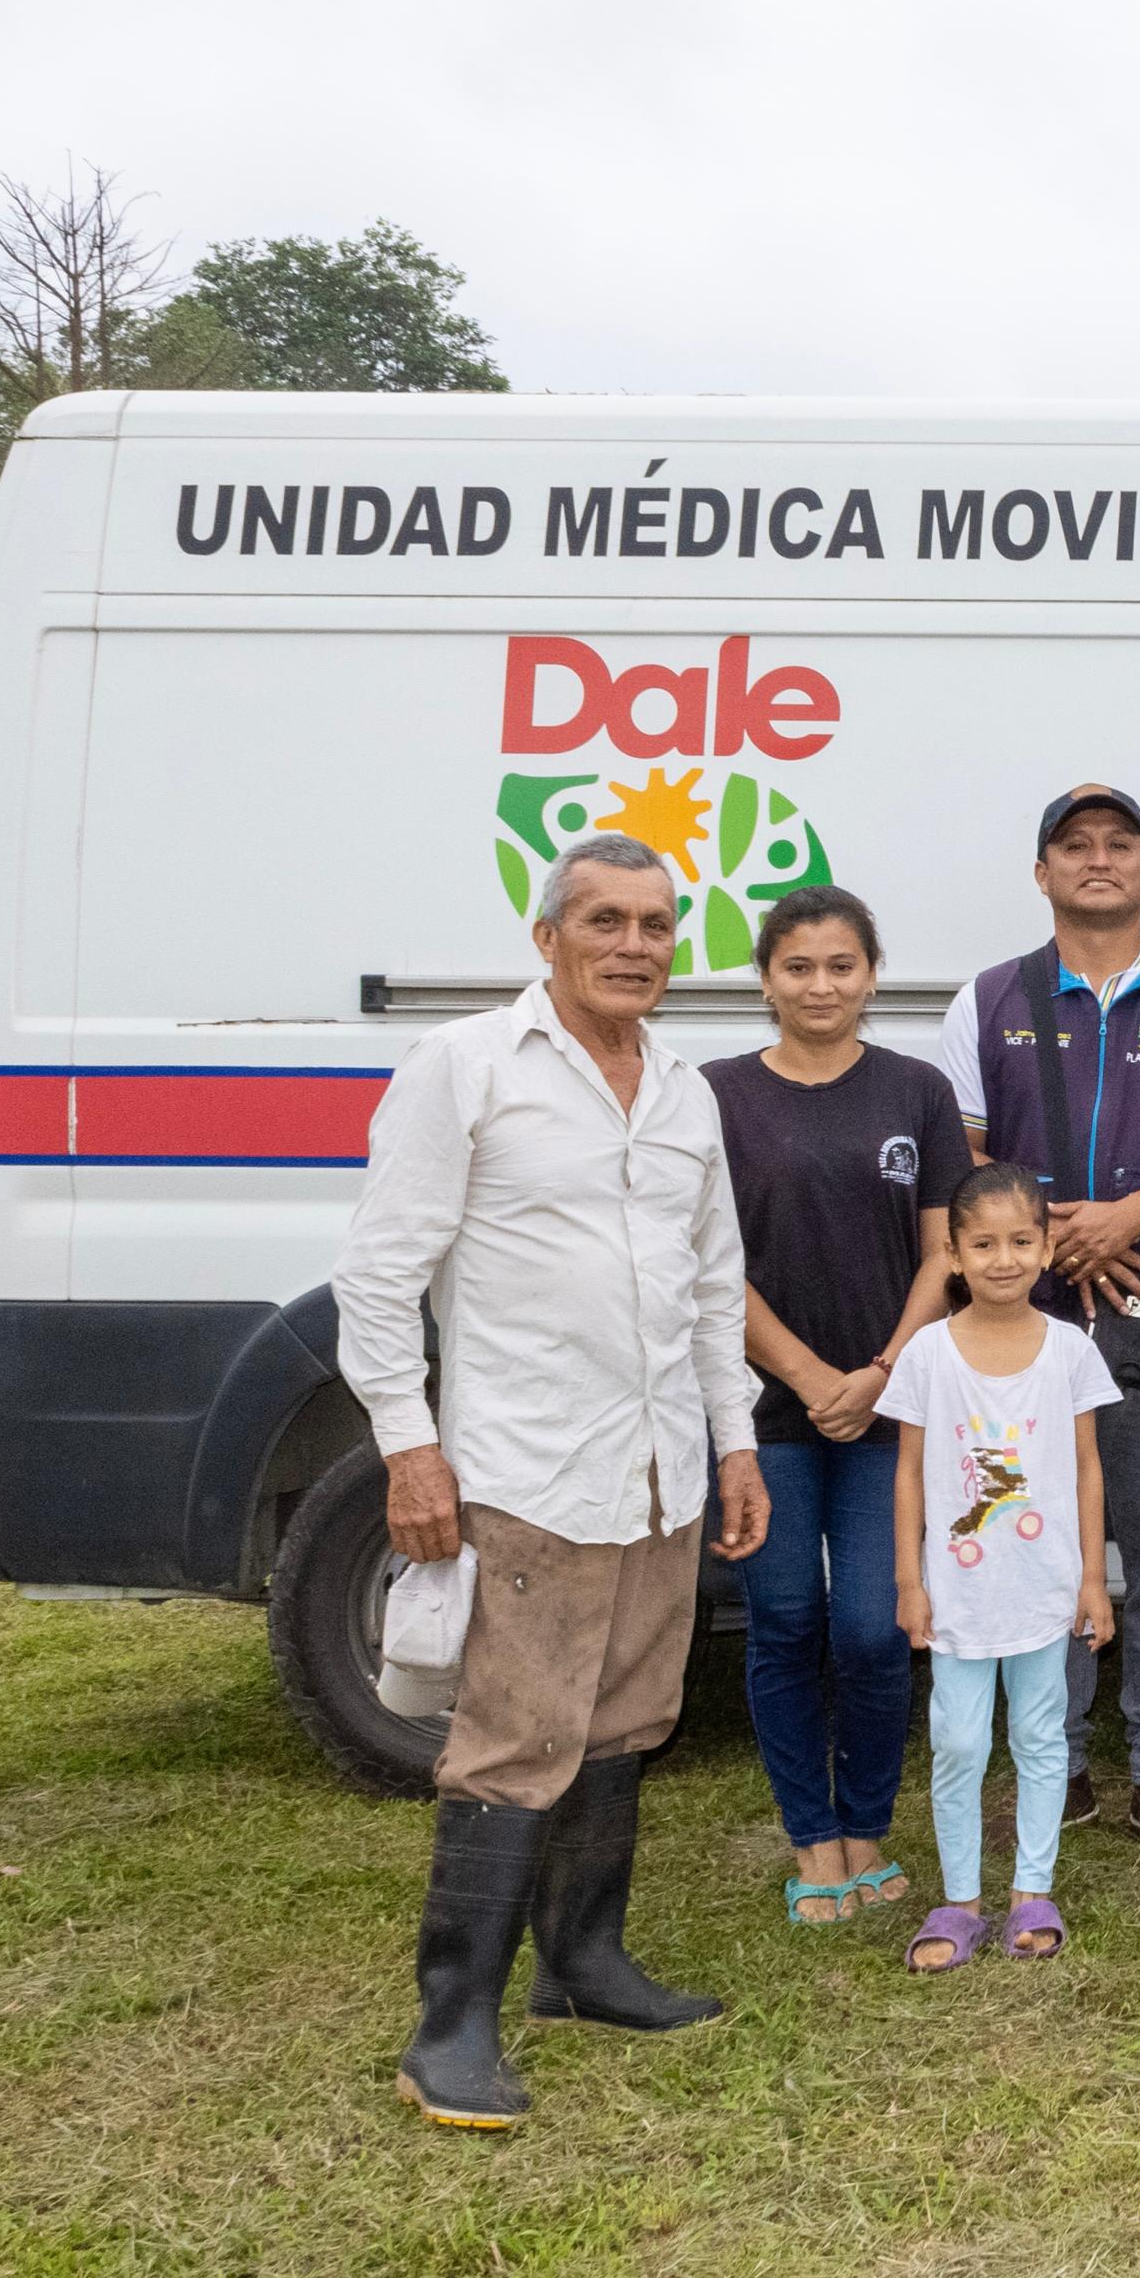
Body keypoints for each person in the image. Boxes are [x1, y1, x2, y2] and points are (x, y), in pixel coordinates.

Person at [332, 829, 766, 2132]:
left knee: (624, 1721)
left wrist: (734, 1440)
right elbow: (379, 1274)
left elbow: (713, 1286)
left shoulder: (683, 1089)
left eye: (655, 924)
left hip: (659, 1472)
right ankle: (448, 2027)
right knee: (517, 1738)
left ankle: (583, 1965)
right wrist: (410, 1446)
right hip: (529, 1468)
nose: (634, 946)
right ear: (547, 938)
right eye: (605, 921)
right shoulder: (466, 1067)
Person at [938, 784, 1140, 1861]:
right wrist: (1047, 1237)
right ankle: (1058, 1761)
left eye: (1121, 843)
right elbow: (961, 1152)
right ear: (1042, 873)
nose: (1098, 859)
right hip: (1020, 1321)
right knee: (1037, 1541)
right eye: (1074, 845)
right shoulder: (988, 996)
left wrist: (1126, 1218)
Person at [704, 887, 965, 1927]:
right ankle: (811, 1836)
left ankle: (866, 1824)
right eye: (799, 966)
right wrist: (813, 1379)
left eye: (841, 965)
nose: (821, 986)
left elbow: (943, 1252)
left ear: (872, 975)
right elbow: (706, 1265)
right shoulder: (716, 1095)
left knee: (871, 1626)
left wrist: (883, 1371)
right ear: (766, 978)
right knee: (783, 1620)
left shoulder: (917, 1090)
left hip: (887, 1410)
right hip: (761, 1414)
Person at [880, 1165, 1118, 1970]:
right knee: (957, 1741)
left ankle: (1031, 1891)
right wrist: (910, 1581)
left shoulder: (1069, 1351)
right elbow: (908, 1474)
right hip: (957, 1596)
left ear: (1048, 1249)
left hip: (1043, 1590)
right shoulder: (926, 1355)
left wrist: (1092, 1579)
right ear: (952, 1255)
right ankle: (959, 1901)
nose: (1004, 1259)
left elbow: (1086, 1468)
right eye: (983, 1244)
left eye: (1021, 1241)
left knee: (1040, 1735)